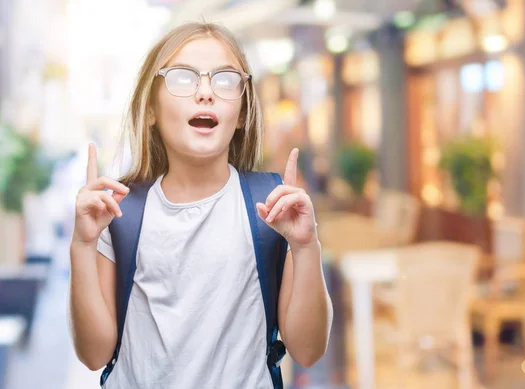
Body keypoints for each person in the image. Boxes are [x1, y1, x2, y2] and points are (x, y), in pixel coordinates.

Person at [68, 22, 333, 389]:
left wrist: (306, 248)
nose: (206, 92)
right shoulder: (118, 211)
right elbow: (94, 354)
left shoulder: (274, 207)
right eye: (182, 78)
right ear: (150, 110)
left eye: (225, 80)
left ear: (242, 114)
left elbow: (307, 350)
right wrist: (82, 245)